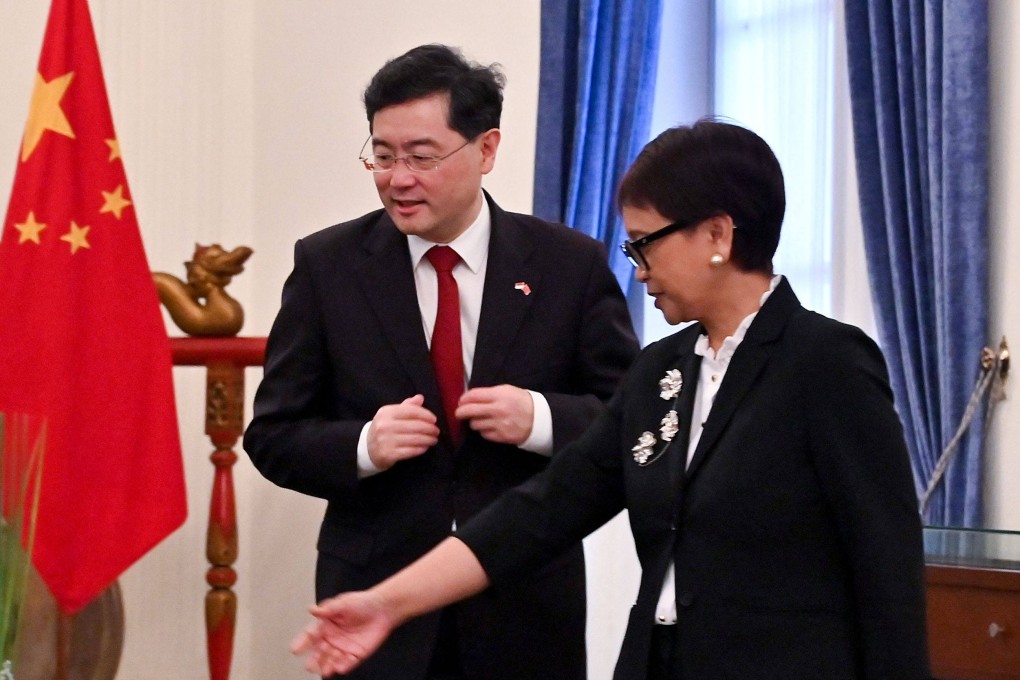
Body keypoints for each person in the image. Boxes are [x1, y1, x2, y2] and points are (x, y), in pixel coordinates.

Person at [290, 120, 932, 680]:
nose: (637, 267)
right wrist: (388, 603)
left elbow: (887, 566)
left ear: (717, 234)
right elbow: (540, 513)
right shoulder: (661, 371)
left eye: (645, 243)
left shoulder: (825, 361)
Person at [243, 43, 639, 680]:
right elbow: (272, 435)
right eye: (383, 155)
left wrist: (540, 420)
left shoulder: (570, 266)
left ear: (486, 149)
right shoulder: (328, 267)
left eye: (422, 157)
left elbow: (632, 423)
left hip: (525, 606)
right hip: (375, 607)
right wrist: (364, 446)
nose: (398, 178)